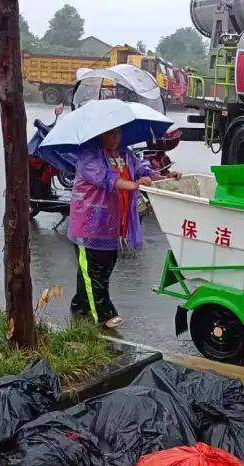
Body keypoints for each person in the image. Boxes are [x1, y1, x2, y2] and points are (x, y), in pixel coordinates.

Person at [68, 127, 180, 329]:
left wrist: (166, 178)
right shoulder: (89, 156)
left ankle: (79, 305)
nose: (115, 137)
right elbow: (107, 179)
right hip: (89, 225)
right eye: (110, 133)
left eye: (118, 133)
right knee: (95, 271)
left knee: (99, 269)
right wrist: (135, 185)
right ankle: (102, 315)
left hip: (113, 224)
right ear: (100, 134)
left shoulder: (123, 153)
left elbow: (142, 171)